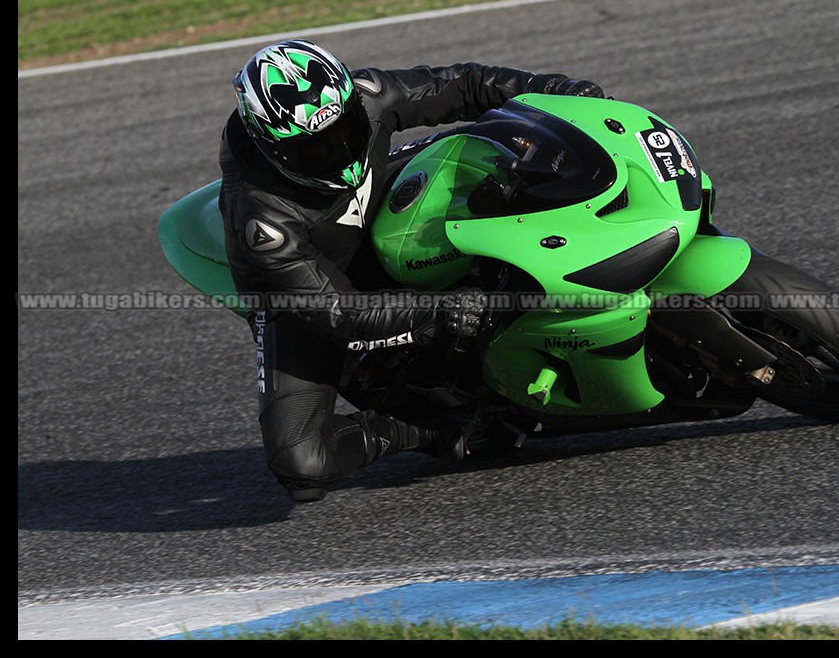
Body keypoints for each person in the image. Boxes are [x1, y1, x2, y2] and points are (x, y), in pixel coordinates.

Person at [218, 38, 605, 503]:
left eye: (347, 128)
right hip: (304, 296)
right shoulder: (264, 220)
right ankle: (425, 427)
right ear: (274, 151)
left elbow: (464, 84)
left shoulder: (366, 93)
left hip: (379, 207)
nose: (342, 150)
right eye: (318, 150)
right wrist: (439, 310)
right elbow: (340, 315)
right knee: (302, 465)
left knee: (504, 157)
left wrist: (555, 90)